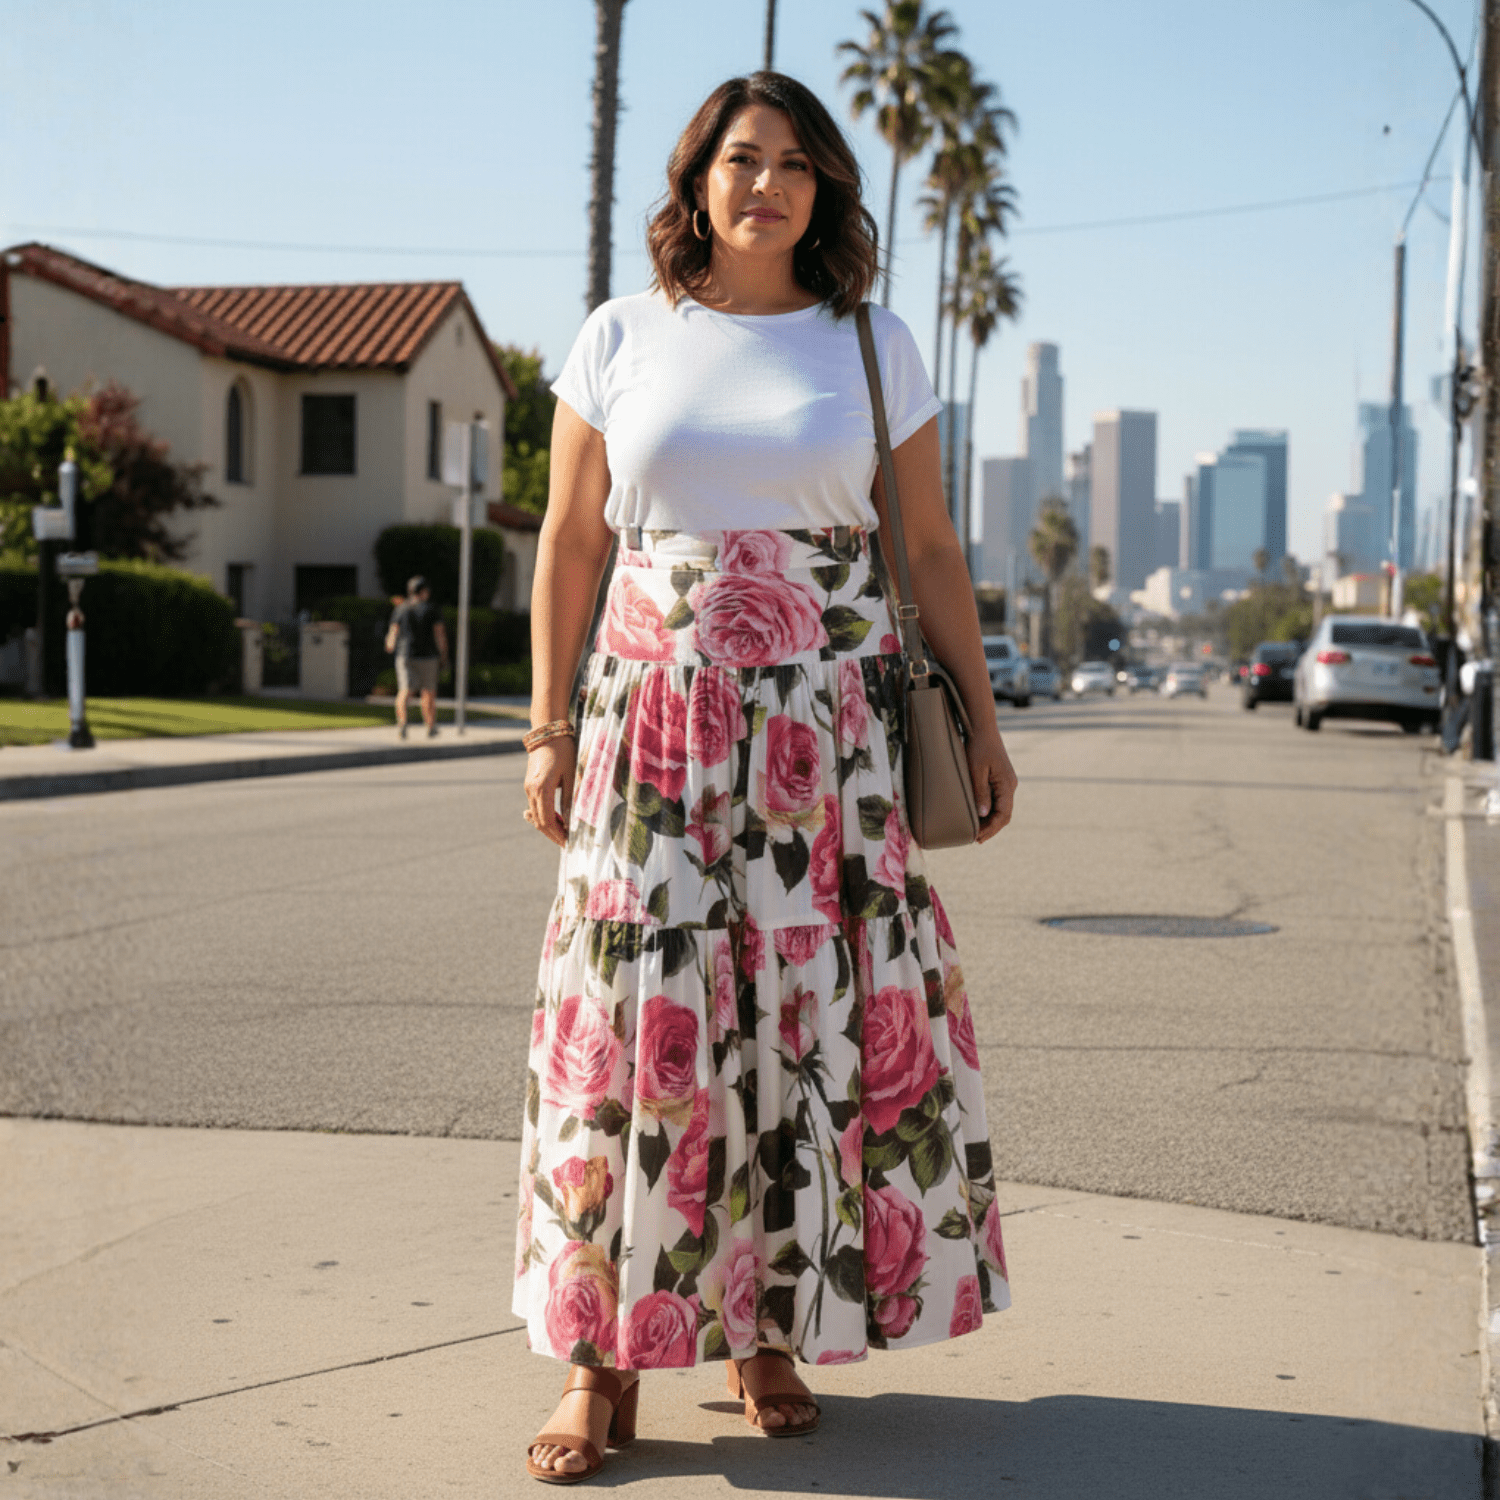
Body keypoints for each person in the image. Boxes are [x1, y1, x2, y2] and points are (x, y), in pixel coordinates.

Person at [516, 71, 1018, 1485]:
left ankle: (768, 1331)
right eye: (743, 159)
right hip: (652, 728)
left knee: (799, 1026)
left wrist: (982, 724)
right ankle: (598, 1358)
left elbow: (926, 549)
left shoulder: (872, 343)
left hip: (827, 733)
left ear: (825, 191)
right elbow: (569, 541)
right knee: (638, 1020)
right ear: (697, 180)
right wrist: (545, 727)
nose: (768, 185)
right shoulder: (620, 335)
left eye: (797, 165)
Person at [384, 575, 448, 739]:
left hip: (405, 654)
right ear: (424, 591)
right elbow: (439, 633)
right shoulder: (432, 609)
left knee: (405, 690)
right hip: (428, 656)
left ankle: (402, 724)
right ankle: (430, 726)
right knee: (428, 692)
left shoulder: (401, 608)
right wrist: (443, 653)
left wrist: (390, 645)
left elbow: (393, 631)